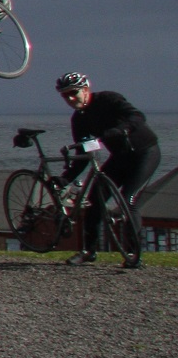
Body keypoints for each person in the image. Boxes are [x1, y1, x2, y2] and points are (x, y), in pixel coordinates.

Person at [58, 73, 161, 268]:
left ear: (86, 89)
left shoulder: (108, 99)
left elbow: (137, 116)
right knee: (95, 199)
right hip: (120, 158)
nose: (70, 99)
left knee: (128, 199)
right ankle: (89, 251)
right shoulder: (79, 120)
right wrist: (66, 178)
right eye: (65, 96)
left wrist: (121, 130)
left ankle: (133, 253)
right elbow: (83, 154)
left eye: (73, 93)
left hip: (144, 153)